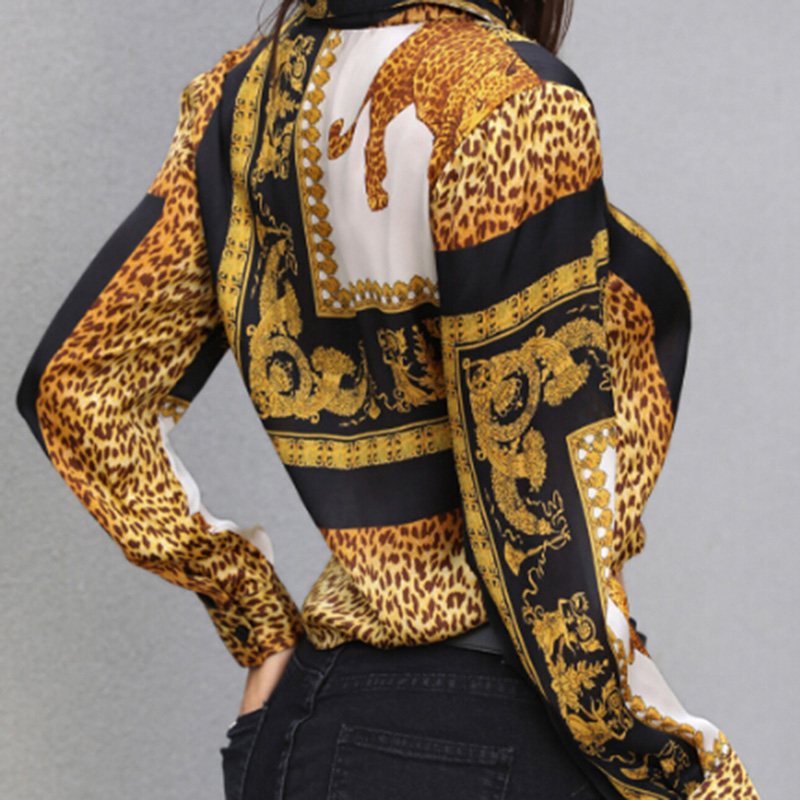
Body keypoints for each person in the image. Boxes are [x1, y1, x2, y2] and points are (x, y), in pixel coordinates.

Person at [17, 0, 760, 797]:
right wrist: (672, 764)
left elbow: (77, 388)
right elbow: (532, 526)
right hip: (492, 734)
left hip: (310, 722)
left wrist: (258, 623)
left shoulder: (244, 99)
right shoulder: (513, 99)